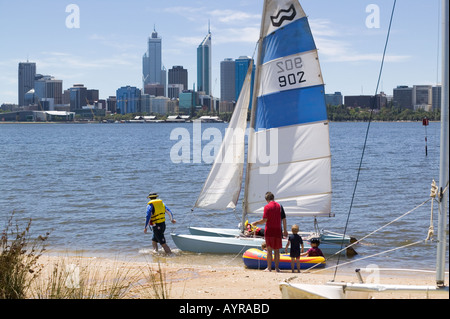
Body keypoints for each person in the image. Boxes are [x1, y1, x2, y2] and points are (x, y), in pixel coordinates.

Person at [252, 192, 283, 272]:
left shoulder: (267, 207)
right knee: (277, 250)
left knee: (269, 250)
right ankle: (277, 268)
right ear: (273, 198)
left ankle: (269, 268)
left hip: (270, 230)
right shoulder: (279, 206)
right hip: (278, 230)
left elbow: (264, 220)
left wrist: (256, 223)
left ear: (266, 199)